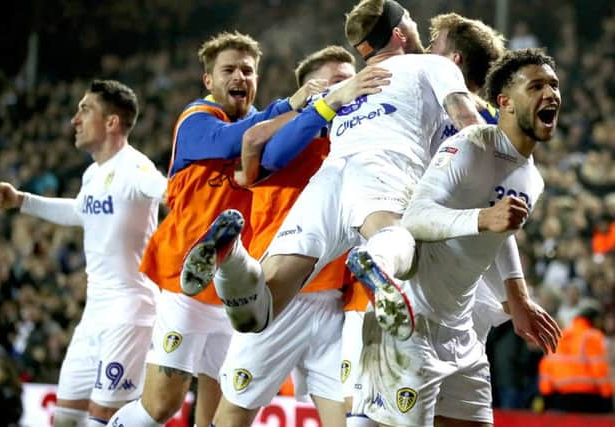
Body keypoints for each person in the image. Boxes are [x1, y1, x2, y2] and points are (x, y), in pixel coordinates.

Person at [107, 32, 385, 427]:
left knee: (212, 413)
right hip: (184, 281)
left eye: (248, 70)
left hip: (235, 294)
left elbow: (260, 140)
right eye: (229, 70)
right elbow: (236, 140)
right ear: (209, 80)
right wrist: (297, 107)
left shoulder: (276, 125)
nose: (240, 76)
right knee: (161, 405)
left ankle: (228, 254)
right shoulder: (197, 119)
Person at [181, 0, 488, 344]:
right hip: (384, 166)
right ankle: (374, 260)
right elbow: (468, 125)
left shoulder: (346, 89)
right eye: (413, 20)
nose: (421, 29)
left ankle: (231, 255)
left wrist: (329, 101)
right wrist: (486, 179)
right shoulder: (431, 64)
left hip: (327, 181)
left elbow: (275, 149)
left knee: (255, 314)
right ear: (400, 33)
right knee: (400, 244)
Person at [351, 48, 563, 426]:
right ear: (505, 103)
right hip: (409, 318)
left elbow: (501, 233)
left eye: (554, 85)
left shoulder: (532, 176)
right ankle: (377, 266)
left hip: (460, 329)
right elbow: (416, 218)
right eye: (536, 86)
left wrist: (518, 299)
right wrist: (483, 217)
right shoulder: (472, 145)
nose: (550, 94)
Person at [208, 45, 372, 427]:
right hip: (279, 300)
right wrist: (316, 106)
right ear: (315, 88)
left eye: (353, 80)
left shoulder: (357, 142)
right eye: (339, 82)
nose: (352, 89)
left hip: (334, 306)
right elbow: (251, 144)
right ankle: (227, 261)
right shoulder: (289, 136)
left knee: (349, 420)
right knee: (232, 416)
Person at [0, 80, 167, 426]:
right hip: (94, 315)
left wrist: (174, 193)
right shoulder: (92, 174)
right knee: (65, 419)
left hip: (129, 311)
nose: (74, 119)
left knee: (103, 418)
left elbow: (162, 189)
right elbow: (79, 211)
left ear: (112, 122)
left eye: (85, 109)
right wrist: (22, 201)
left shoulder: (135, 167)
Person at [539, 299, 614, 413]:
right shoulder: (592, 336)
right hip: (590, 400)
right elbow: (600, 369)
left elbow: (546, 368)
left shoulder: (560, 336)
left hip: (561, 399)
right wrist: (607, 397)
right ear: (596, 320)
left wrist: (546, 398)